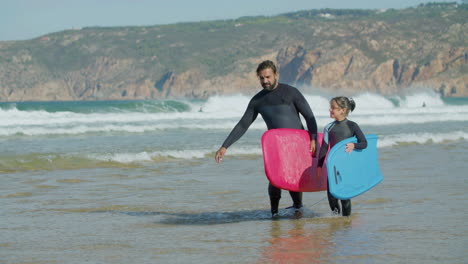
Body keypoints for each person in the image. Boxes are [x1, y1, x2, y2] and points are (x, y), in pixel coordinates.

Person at [214, 60, 318, 218]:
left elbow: (309, 116)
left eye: (268, 77)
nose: (265, 81)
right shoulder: (258, 101)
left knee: (292, 177)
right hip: (277, 146)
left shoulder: (291, 92)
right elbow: (243, 124)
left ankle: (298, 207)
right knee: (275, 178)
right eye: (262, 78)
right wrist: (224, 146)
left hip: (297, 144)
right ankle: (274, 213)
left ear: (276, 74)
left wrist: (313, 138)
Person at [317, 96, 367, 216]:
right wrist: (319, 166)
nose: (330, 110)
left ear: (342, 110)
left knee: (345, 197)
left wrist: (354, 145)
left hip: (347, 166)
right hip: (333, 166)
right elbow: (324, 148)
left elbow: (364, 143)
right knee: (331, 196)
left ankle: (346, 222)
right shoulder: (329, 128)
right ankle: (336, 220)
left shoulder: (352, 126)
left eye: (333, 108)